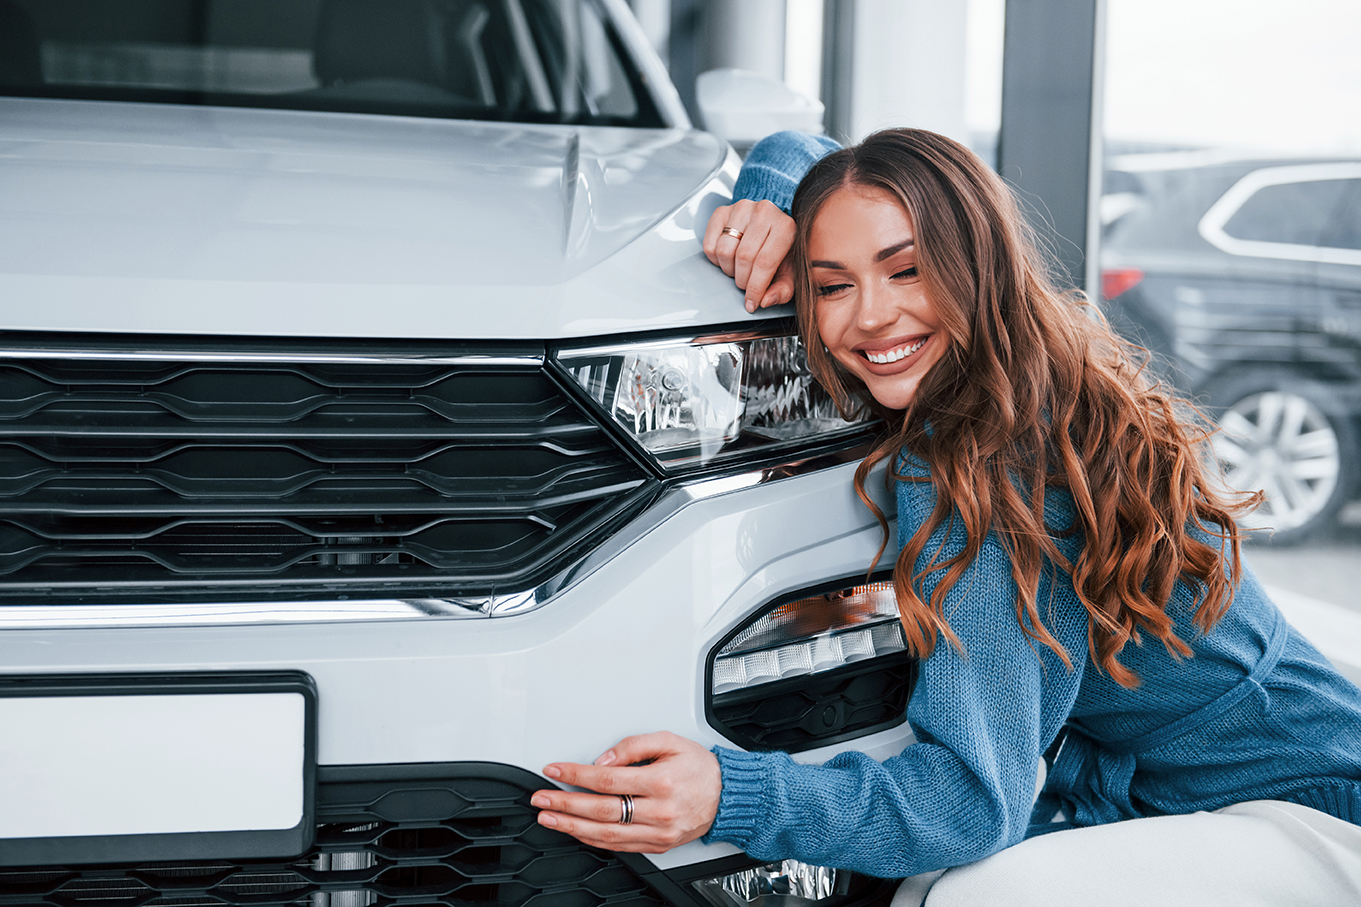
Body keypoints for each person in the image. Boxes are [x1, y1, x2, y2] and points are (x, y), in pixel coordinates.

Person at [529, 129, 1361, 905]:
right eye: (831, 284)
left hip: (1310, 813)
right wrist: (777, 194)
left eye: (907, 270)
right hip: (1229, 776)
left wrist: (729, 793)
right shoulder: (1031, 369)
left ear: (976, 264)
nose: (869, 315)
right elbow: (818, 152)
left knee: (969, 895)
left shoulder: (995, 465)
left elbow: (969, 801)